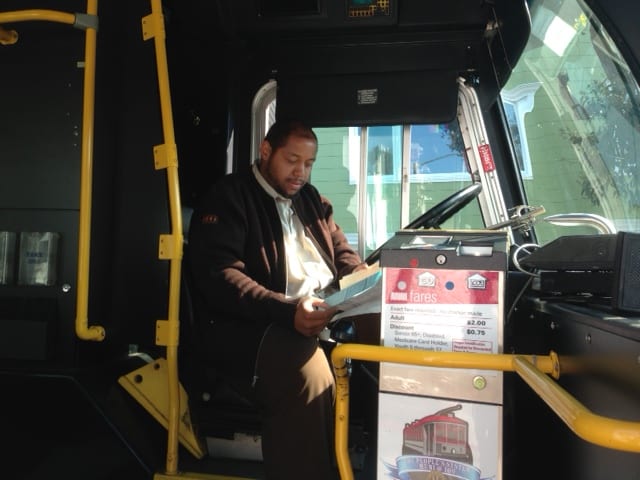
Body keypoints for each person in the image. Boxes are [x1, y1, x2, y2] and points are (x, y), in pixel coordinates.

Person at [188, 119, 376, 480]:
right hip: (256, 325)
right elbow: (221, 277)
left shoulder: (310, 199)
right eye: (292, 160)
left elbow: (341, 249)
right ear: (265, 151)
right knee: (308, 371)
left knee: (389, 330)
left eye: (308, 164)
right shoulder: (229, 197)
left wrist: (358, 278)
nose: (300, 172)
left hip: (323, 309)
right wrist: (287, 311)